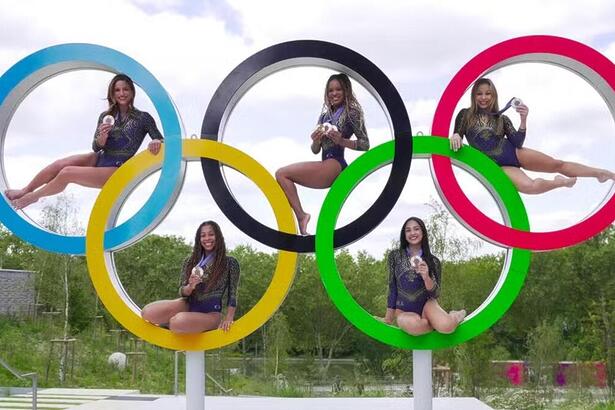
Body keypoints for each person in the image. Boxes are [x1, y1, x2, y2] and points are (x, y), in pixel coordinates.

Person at [5, 73, 163, 209]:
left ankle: (33, 197)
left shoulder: (143, 118)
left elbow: (160, 139)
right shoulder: (106, 116)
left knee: (67, 173)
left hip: (117, 169)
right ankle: (26, 190)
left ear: (132, 92)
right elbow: (96, 147)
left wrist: (155, 141)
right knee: (61, 164)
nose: (121, 93)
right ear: (112, 94)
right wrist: (102, 138)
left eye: (125, 89)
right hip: (101, 158)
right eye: (117, 90)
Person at [450, 77, 615, 194]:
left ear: (494, 96)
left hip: (514, 152)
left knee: (557, 163)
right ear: (474, 96)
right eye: (479, 94)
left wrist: (523, 119)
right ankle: (560, 182)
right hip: (499, 166)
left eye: (488, 94)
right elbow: (458, 131)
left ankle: (600, 173)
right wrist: (456, 135)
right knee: (530, 187)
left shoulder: (502, 118)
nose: (484, 97)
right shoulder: (465, 114)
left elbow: (517, 141)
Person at [275, 73, 370, 235]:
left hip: (336, 164)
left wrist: (342, 141)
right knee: (281, 175)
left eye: (338, 89)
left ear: (346, 90)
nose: (334, 93)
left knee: (282, 173)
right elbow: (315, 151)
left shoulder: (352, 112)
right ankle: (301, 215)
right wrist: (316, 141)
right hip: (325, 162)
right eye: (330, 90)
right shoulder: (324, 116)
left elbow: (365, 144)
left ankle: (301, 216)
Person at [141, 221, 239, 334]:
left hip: (211, 312)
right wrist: (190, 286)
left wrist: (229, 318)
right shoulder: (189, 261)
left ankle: (180, 324)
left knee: (177, 322)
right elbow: (182, 292)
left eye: (211, 234)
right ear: (199, 239)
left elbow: (233, 294)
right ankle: (183, 324)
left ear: (218, 236)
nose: (207, 238)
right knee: (147, 313)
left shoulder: (230, 263)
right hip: (188, 304)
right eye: (203, 235)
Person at [382, 217, 465, 336]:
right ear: (404, 234)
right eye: (408, 230)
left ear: (423, 232)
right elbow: (392, 287)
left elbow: (436, 294)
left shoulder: (433, 261)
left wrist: (426, 277)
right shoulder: (395, 256)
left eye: (416, 229)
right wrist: (388, 318)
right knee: (413, 325)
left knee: (447, 327)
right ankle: (433, 323)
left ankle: (455, 316)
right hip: (404, 310)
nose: (412, 233)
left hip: (427, 306)